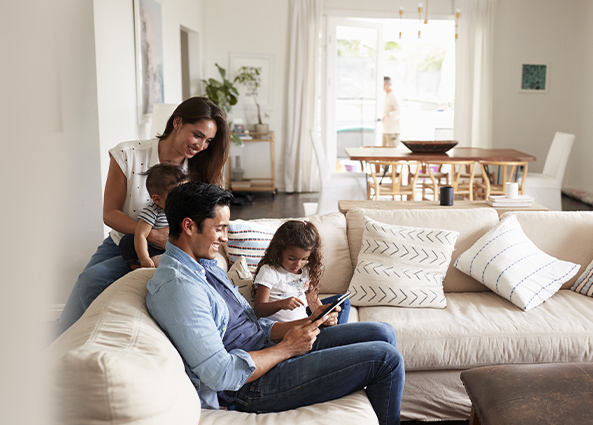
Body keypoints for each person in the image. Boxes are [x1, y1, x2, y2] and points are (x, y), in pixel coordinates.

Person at [145, 183, 404, 424]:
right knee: (386, 359)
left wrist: (305, 323)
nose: (224, 237)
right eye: (219, 228)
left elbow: (251, 325)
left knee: (382, 332)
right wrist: (288, 348)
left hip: (269, 348)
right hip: (251, 385)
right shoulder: (179, 288)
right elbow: (220, 374)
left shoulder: (205, 265)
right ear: (189, 226)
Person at [55, 96, 231, 335]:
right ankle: (60, 346)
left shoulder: (201, 168)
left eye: (208, 140)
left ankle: (92, 340)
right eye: (197, 135)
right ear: (177, 122)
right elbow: (110, 214)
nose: (201, 146)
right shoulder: (128, 154)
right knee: (85, 286)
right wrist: (151, 234)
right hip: (123, 240)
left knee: (94, 280)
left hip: (173, 248)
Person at [249, 220, 350, 323]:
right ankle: (334, 335)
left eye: (304, 259)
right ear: (278, 251)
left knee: (342, 301)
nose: (298, 264)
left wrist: (324, 318)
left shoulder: (305, 270)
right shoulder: (269, 271)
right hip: (284, 330)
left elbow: (314, 302)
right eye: (292, 259)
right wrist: (281, 304)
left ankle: (333, 332)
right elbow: (258, 310)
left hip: (305, 323)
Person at [126, 163, 189, 269]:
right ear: (157, 199)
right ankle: (137, 266)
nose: (183, 198)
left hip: (175, 248)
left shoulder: (185, 208)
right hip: (153, 249)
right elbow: (141, 234)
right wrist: (144, 258)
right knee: (128, 240)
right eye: (175, 195)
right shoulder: (153, 212)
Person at [381, 76, 400, 147]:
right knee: (384, 153)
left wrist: (388, 115)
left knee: (391, 153)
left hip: (392, 130)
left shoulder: (393, 95)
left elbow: (398, 111)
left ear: (386, 84)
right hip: (386, 129)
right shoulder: (386, 95)